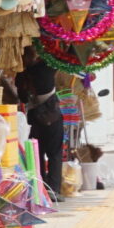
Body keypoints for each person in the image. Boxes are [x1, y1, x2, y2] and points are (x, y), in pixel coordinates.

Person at [17, 52, 66, 202]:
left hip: (34, 120)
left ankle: (42, 188)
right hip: (52, 117)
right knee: (55, 154)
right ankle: (54, 190)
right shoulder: (45, 67)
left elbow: (23, 98)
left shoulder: (21, 76)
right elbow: (62, 57)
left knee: (37, 154)